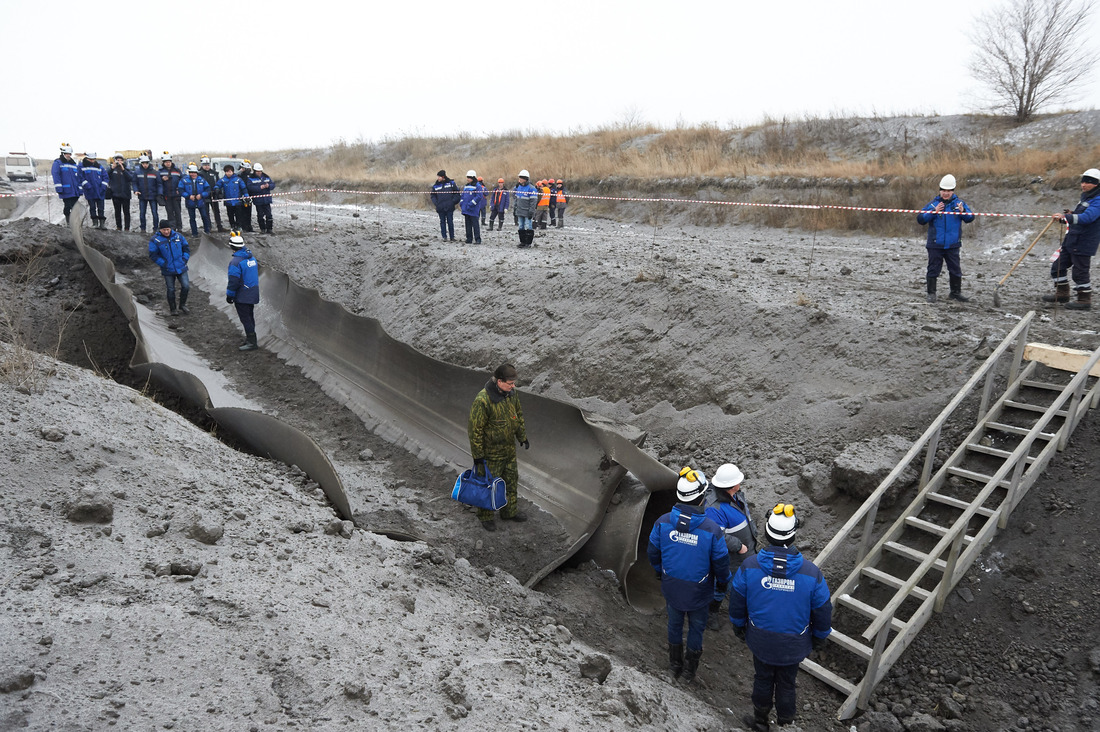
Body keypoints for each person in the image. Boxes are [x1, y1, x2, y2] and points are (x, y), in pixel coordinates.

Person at [730, 504, 832, 731]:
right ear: (794, 534)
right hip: (794, 643)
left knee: (763, 678)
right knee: (787, 684)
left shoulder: (749, 566)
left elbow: (737, 600)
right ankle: (787, 725)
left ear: (766, 533)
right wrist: (820, 637)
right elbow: (823, 610)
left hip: (761, 640)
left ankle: (760, 721)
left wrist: (738, 626)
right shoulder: (811, 573)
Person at [647, 467, 731, 684]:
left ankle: (674, 666)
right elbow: (721, 563)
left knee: (674, 625)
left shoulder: (662, 522)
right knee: (696, 628)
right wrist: (722, 583)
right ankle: (688, 673)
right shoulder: (712, 530)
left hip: (672, 586)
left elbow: (653, 552)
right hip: (700, 592)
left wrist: (660, 572)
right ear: (702, 497)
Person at [467, 363, 529, 531]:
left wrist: (522, 436)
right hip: (491, 454)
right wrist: (478, 455)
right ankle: (485, 516)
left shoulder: (511, 395)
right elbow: (475, 429)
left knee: (511, 481)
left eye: (513, 383)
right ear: (499, 381)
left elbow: (518, 415)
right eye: (510, 383)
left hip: (508, 450)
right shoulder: (483, 400)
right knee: (488, 485)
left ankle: (509, 512)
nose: (513, 386)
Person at [1043, 167, 1100, 310]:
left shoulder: (1098, 200)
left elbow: (1088, 218)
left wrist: (1066, 217)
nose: (1084, 185)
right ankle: (1062, 293)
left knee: (1080, 272)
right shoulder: (1086, 197)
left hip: (1084, 242)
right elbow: (1079, 216)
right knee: (1057, 267)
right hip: (1072, 240)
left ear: (1097, 184)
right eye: (1083, 182)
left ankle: (1084, 300)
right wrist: (1068, 216)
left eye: (1089, 182)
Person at [704, 463, 757, 616]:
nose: (740, 483)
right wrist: (738, 546)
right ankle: (711, 612)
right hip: (731, 558)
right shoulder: (714, 509)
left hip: (746, 551)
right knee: (723, 585)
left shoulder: (736, 495)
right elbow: (717, 535)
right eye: (738, 481)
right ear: (732, 485)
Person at [916, 174, 975, 303]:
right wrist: (934, 212)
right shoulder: (933, 204)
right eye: (943, 190)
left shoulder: (960, 204)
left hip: (953, 244)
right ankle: (931, 294)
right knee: (933, 269)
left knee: (955, 270)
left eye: (948, 191)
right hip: (935, 244)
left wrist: (963, 211)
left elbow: (970, 218)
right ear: (940, 190)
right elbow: (920, 219)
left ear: (953, 191)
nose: (946, 193)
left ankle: (955, 293)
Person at [147, 221, 191, 316]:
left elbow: (186, 248)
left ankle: (182, 305)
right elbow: (153, 255)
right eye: (164, 230)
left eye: (167, 229)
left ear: (170, 228)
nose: (166, 232)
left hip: (181, 266)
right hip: (168, 269)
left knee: (186, 286)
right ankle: (173, 309)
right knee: (171, 289)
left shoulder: (178, 237)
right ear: (160, 229)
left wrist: (184, 260)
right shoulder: (155, 240)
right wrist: (164, 264)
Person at [226, 231, 261, 351]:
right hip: (252, 292)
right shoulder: (252, 258)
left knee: (245, 318)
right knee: (250, 316)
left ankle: (252, 342)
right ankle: (251, 338)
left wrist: (230, 295)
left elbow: (233, 281)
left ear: (232, 246)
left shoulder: (235, 262)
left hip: (242, 294)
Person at [51, 143, 83, 223]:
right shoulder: (58, 163)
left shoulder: (73, 164)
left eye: (69, 154)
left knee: (75, 207)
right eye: (67, 154)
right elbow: (56, 176)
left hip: (75, 191)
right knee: (68, 206)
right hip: (66, 190)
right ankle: (69, 222)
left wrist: (80, 189)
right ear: (63, 153)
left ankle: (75, 223)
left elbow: (78, 177)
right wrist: (59, 188)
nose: (68, 155)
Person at [178, 163, 212, 236]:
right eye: (191, 173)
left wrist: (202, 195)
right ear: (189, 173)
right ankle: (194, 233)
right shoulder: (184, 180)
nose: (193, 174)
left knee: (204, 216)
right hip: (190, 202)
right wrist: (188, 196)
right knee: (192, 218)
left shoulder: (202, 180)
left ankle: (207, 231)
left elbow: (208, 189)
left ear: (197, 173)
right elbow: (181, 190)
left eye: (194, 173)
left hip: (201, 202)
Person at [216, 165, 251, 231]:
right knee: (230, 215)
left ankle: (239, 226)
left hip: (238, 201)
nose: (228, 173)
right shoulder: (223, 180)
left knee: (238, 215)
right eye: (227, 172)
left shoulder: (238, 179)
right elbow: (217, 185)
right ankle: (232, 225)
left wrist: (246, 196)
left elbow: (243, 188)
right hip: (228, 202)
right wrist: (217, 189)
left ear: (232, 172)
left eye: (230, 171)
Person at [133, 154, 161, 233]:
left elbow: (159, 184)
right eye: (143, 163)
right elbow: (134, 183)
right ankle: (143, 229)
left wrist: (159, 194)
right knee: (142, 214)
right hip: (142, 196)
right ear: (141, 163)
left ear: (149, 163)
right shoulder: (137, 172)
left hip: (153, 196)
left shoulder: (155, 172)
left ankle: (156, 228)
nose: (145, 165)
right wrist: (136, 190)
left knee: (155, 213)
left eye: (146, 163)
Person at [80, 153, 109, 230]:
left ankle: (102, 224)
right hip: (90, 191)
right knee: (92, 207)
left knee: (101, 208)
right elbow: (80, 177)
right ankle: (95, 223)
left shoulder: (99, 166)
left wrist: (103, 187)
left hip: (100, 191)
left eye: (93, 159)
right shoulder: (82, 166)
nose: (92, 161)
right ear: (87, 158)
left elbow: (105, 177)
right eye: (91, 159)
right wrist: (87, 186)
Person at [246, 163, 277, 234]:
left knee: (269, 215)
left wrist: (268, 185)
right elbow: (249, 188)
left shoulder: (266, 177)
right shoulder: (251, 178)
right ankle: (262, 229)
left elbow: (273, 185)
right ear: (254, 171)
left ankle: (269, 229)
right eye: (257, 171)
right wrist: (259, 188)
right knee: (260, 215)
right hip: (258, 200)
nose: (259, 172)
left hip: (267, 199)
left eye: (260, 171)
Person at [197, 156, 226, 232]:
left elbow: (219, 183)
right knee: (206, 212)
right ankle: (208, 227)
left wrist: (219, 193)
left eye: (208, 165)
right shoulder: (199, 174)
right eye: (205, 165)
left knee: (216, 211)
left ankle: (219, 226)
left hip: (214, 195)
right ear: (202, 165)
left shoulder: (214, 173)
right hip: (204, 196)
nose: (207, 166)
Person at [431, 170, 460, 242]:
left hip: (449, 207)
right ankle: (444, 236)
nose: (438, 178)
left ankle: (452, 237)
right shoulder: (436, 186)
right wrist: (436, 203)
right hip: (440, 207)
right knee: (442, 222)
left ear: (443, 177)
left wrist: (453, 202)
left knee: (450, 222)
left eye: (439, 177)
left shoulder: (451, 183)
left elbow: (457, 193)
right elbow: (432, 196)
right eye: (437, 177)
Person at [158, 153, 183, 231]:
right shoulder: (160, 172)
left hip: (176, 195)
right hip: (167, 195)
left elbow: (182, 181)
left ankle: (179, 227)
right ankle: (172, 227)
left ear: (171, 162)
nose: (168, 163)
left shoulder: (177, 171)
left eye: (169, 161)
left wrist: (179, 190)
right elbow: (159, 184)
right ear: (163, 163)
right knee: (170, 212)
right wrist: (160, 194)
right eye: (166, 162)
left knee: (178, 212)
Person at [107, 155, 133, 231]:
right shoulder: (112, 170)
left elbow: (130, 178)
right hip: (115, 194)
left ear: (123, 161)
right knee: (117, 212)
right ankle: (119, 227)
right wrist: (112, 168)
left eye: (120, 160)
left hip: (125, 194)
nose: (119, 162)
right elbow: (105, 175)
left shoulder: (127, 169)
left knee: (126, 212)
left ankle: (127, 227)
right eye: (117, 160)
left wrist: (123, 170)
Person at [513, 170, 538, 248]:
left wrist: (531, 211)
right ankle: (522, 242)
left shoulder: (531, 188)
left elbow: (533, 201)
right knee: (521, 227)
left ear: (525, 179)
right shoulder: (518, 187)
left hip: (527, 211)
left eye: (521, 178)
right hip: (520, 211)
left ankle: (528, 243)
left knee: (528, 227)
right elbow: (516, 199)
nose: (519, 179)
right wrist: (515, 208)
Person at [460, 171, 485, 244]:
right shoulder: (466, 186)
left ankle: (478, 239)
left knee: (475, 225)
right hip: (466, 209)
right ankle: (469, 238)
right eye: (467, 177)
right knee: (467, 225)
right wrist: (461, 202)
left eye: (469, 178)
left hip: (473, 209)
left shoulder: (478, 186)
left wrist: (471, 204)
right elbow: (463, 195)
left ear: (472, 178)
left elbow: (479, 196)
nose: (467, 179)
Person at [237, 160, 255, 232]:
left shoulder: (251, 175)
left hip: (249, 195)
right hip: (240, 195)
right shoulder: (239, 175)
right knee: (240, 211)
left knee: (248, 211)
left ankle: (248, 226)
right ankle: (242, 225)